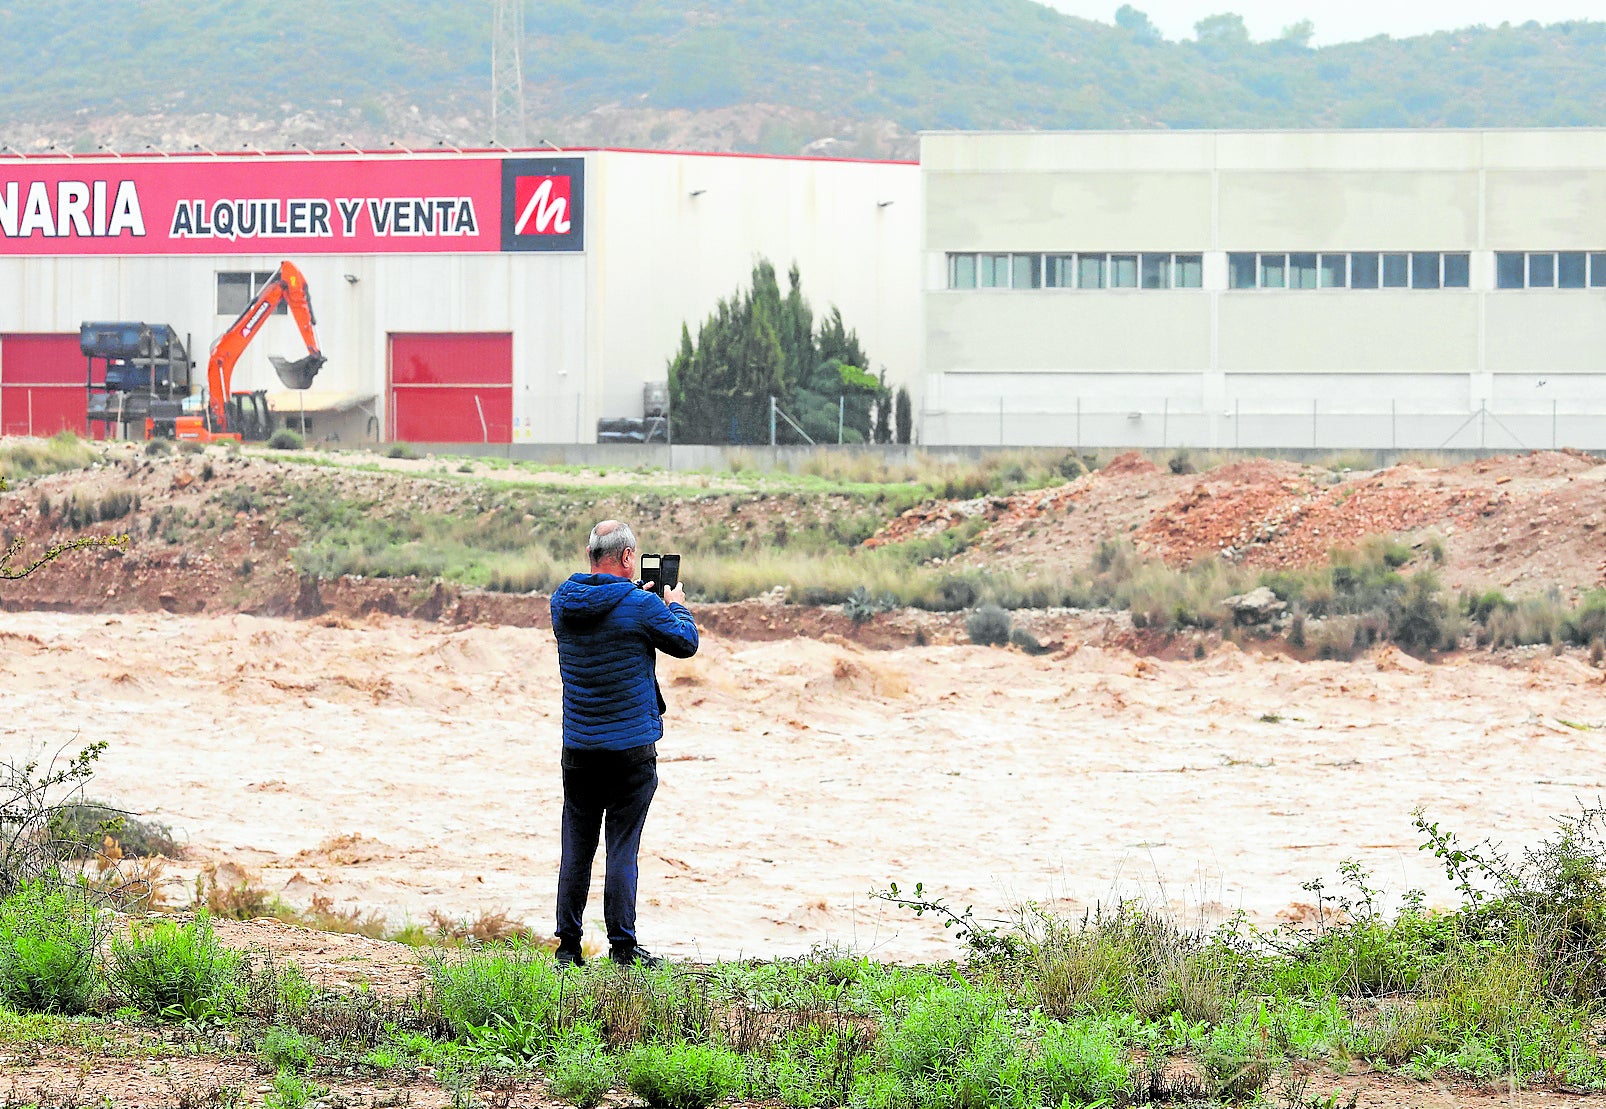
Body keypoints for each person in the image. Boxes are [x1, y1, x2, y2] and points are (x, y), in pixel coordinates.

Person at [550, 519, 698, 968]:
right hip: (630, 751)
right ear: (629, 557)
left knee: (576, 847)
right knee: (621, 847)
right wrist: (674, 606)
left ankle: (568, 948)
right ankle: (623, 947)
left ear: (591, 554)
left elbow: (608, 609)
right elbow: (685, 643)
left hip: (578, 749)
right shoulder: (641, 605)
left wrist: (642, 600)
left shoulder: (561, 602)